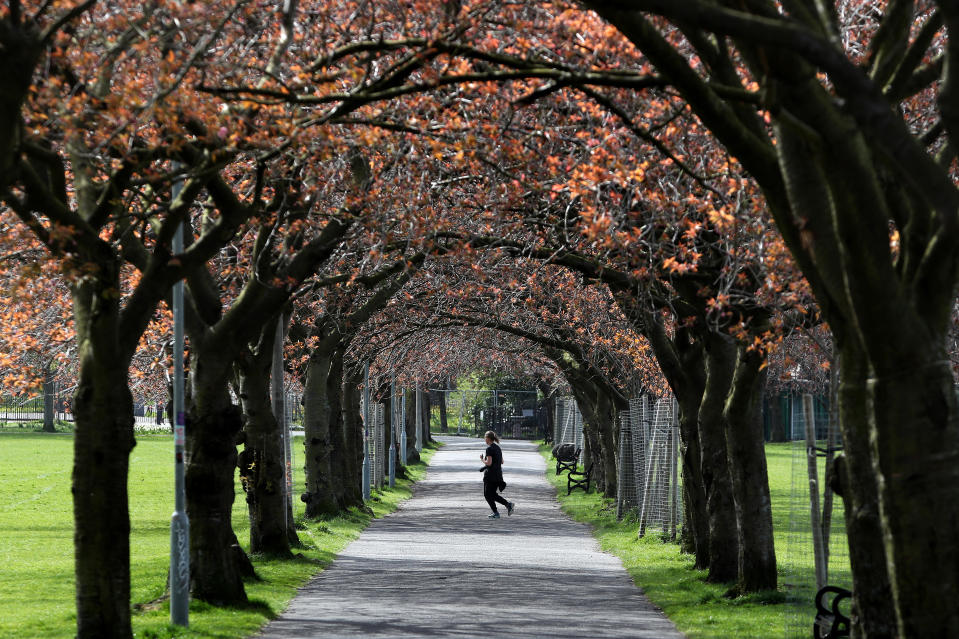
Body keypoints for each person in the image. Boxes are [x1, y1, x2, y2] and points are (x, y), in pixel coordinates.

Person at [480, 430, 515, 519]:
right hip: (498, 475)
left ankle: (497, 512)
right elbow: (502, 461)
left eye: (485, 438)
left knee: (487, 495)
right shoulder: (498, 448)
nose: (485, 440)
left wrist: (482, 459)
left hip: (490, 475)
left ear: (488, 438)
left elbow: (489, 463)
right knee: (492, 494)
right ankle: (507, 505)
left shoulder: (489, 449)